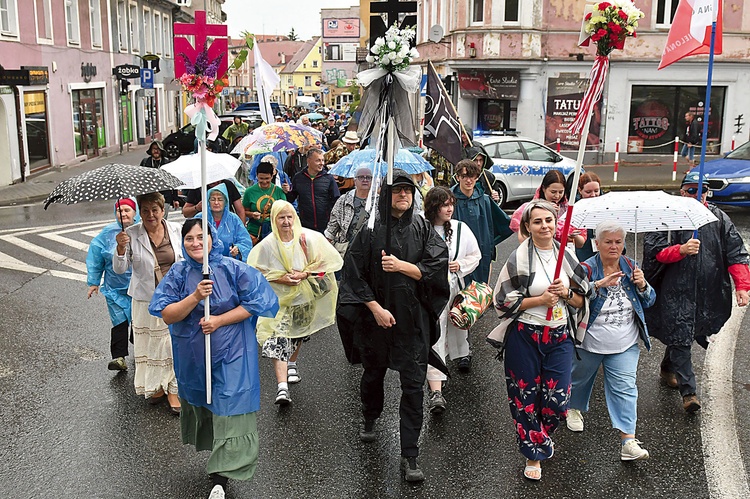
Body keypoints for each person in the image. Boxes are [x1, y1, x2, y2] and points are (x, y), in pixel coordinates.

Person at [149, 219, 279, 499]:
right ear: (182, 243)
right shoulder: (178, 273)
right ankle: (218, 460)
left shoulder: (233, 268)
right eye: (189, 239)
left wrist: (220, 320)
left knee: (230, 403)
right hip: (194, 355)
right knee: (208, 402)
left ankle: (220, 476)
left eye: (201, 236)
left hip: (233, 351)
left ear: (212, 238)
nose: (196, 243)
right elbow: (167, 313)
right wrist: (195, 296)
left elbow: (260, 301)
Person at [337, 170, 450, 482]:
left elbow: (436, 267)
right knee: (373, 374)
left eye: (408, 191)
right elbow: (353, 274)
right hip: (376, 324)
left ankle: (410, 454)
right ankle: (370, 416)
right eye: (397, 191)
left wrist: (403, 267)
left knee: (413, 386)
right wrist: (373, 307)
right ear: (387, 195)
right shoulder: (371, 230)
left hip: (411, 324)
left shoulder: (424, 228)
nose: (404, 195)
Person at [490, 199, 589, 481]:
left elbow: (583, 299)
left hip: (559, 336)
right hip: (525, 336)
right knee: (524, 398)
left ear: (556, 224)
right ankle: (533, 453)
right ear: (528, 227)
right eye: (537, 222)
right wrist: (540, 299)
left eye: (549, 220)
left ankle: (540, 435)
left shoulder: (567, 258)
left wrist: (567, 294)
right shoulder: (518, 258)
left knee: (557, 401)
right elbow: (502, 302)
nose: (544, 226)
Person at [643, 172, 750, 413]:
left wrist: (742, 286)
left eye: (702, 191)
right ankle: (688, 392)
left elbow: (735, 252)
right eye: (691, 190)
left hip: (706, 291)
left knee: (689, 331)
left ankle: (668, 367)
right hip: (674, 290)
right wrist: (680, 250)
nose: (697, 195)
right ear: (682, 191)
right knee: (681, 330)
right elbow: (655, 251)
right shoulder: (667, 215)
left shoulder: (718, 217)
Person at [568, 221, 656, 461]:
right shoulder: (585, 268)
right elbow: (572, 301)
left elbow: (649, 301)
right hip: (589, 341)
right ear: (597, 244)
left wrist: (643, 285)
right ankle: (573, 407)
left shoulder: (632, 267)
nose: (614, 246)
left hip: (624, 343)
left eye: (618, 241)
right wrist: (597, 286)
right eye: (608, 242)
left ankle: (628, 441)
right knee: (578, 379)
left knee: (626, 388)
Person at [246, 201, 343, 405]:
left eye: (289, 216)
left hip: (303, 300)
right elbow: (255, 272)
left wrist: (305, 273)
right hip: (277, 303)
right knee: (278, 339)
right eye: (281, 217)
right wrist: (280, 279)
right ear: (274, 219)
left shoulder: (306, 239)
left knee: (297, 334)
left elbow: (324, 261)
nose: (286, 221)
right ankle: (282, 388)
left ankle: (292, 363)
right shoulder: (267, 245)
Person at [113, 192, 183, 414]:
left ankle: (174, 389)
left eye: (155, 209)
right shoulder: (131, 234)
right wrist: (121, 249)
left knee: (170, 343)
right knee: (151, 345)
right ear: (139, 213)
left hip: (174, 296)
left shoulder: (176, 230)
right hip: (146, 299)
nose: (150, 215)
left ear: (163, 210)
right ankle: (156, 386)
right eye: (145, 210)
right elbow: (120, 269)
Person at [422, 187, 481, 413]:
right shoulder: (421, 228)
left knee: (455, 327)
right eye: (444, 204)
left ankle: (459, 357)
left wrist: (461, 266)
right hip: (429, 290)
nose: (449, 209)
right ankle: (436, 390)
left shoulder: (459, 228)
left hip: (453, 287)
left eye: (451, 204)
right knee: (435, 334)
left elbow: (475, 255)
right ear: (433, 206)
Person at [450, 159, 512, 371]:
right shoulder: (450, 198)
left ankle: (464, 346)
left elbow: (504, 224)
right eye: (464, 175)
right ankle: (458, 348)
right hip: (456, 258)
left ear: (477, 178)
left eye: (472, 176)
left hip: (480, 257)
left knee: (472, 299)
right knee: (456, 298)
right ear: (457, 176)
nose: (468, 180)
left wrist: (489, 244)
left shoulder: (484, 200)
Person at [86, 198, 140, 372]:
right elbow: (96, 257)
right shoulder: (107, 233)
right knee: (119, 322)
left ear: (135, 212)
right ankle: (119, 357)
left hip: (139, 288)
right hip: (114, 289)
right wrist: (94, 282)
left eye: (127, 210)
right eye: (119, 210)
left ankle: (141, 353)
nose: (123, 214)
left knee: (138, 322)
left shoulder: (142, 230)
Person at [510, 169, 586, 248]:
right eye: (553, 192)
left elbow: (580, 243)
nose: (557, 196)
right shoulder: (528, 208)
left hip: (562, 254)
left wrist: (573, 235)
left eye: (560, 192)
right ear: (543, 189)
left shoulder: (569, 210)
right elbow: (523, 239)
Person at [286, 148, 340, 233]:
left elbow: (336, 199)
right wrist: (287, 191)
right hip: (305, 224)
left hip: (325, 225)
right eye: (318, 160)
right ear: (309, 161)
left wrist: (330, 216)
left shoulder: (328, 178)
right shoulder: (298, 178)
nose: (321, 163)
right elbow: (291, 198)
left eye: (322, 160)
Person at [325, 167, 372, 259]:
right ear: (355, 180)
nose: (365, 180)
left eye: (368, 177)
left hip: (369, 251)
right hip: (346, 250)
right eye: (361, 177)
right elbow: (332, 228)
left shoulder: (377, 202)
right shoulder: (344, 200)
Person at [197, 183, 253, 261]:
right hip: (204, 263)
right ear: (208, 201)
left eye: (220, 199)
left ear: (226, 201)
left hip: (229, 263)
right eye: (213, 199)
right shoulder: (199, 218)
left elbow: (245, 241)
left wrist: (238, 249)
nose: (216, 203)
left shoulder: (234, 219)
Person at [243, 161, 289, 245]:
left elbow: (285, 211)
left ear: (272, 176)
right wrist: (252, 214)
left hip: (274, 231)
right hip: (254, 232)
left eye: (267, 178)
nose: (264, 181)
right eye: (261, 178)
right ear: (257, 176)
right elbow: (244, 212)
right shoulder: (249, 192)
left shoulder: (278, 191)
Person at [140, 140, 180, 210]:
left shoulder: (167, 163)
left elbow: (173, 181)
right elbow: (140, 180)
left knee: (162, 219)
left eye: (158, 149)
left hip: (165, 198)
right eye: (154, 149)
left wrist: (175, 199)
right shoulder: (146, 162)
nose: (156, 151)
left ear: (161, 150)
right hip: (149, 197)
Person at [574, 172, 602, 262]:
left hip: (602, 254)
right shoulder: (574, 209)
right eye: (588, 192)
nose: (593, 195)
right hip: (581, 254)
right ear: (580, 190)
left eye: (596, 191)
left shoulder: (607, 207)